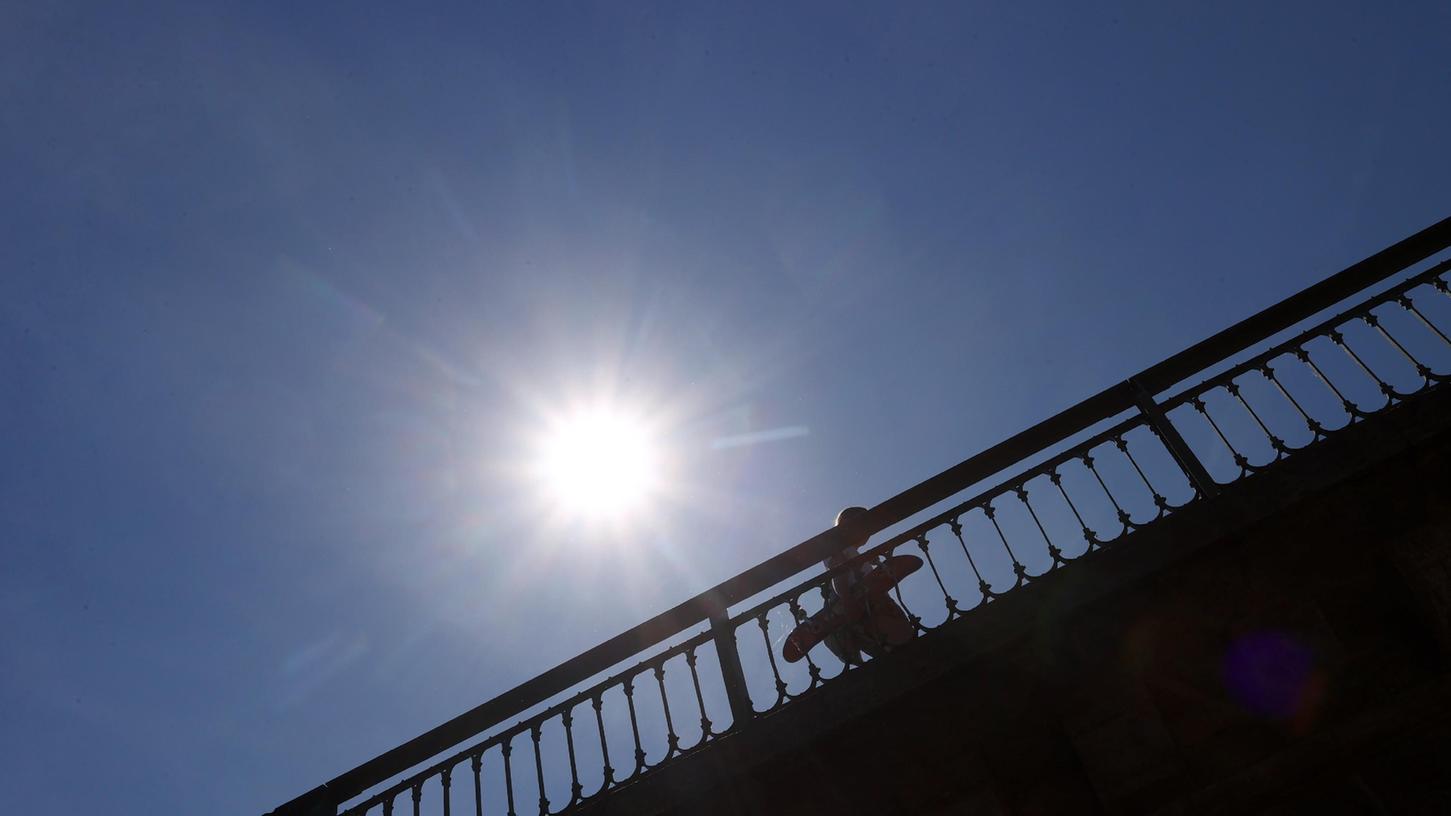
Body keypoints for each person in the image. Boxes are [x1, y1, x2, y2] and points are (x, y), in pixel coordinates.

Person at [819, 506, 914, 664]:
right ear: (846, 527)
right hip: (860, 601)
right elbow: (839, 573)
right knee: (883, 635)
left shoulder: (850, 552)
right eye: (865, 526)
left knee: (889, 639)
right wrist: (847, 600)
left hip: (868, 600)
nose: (868, 531)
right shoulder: (839, 551)